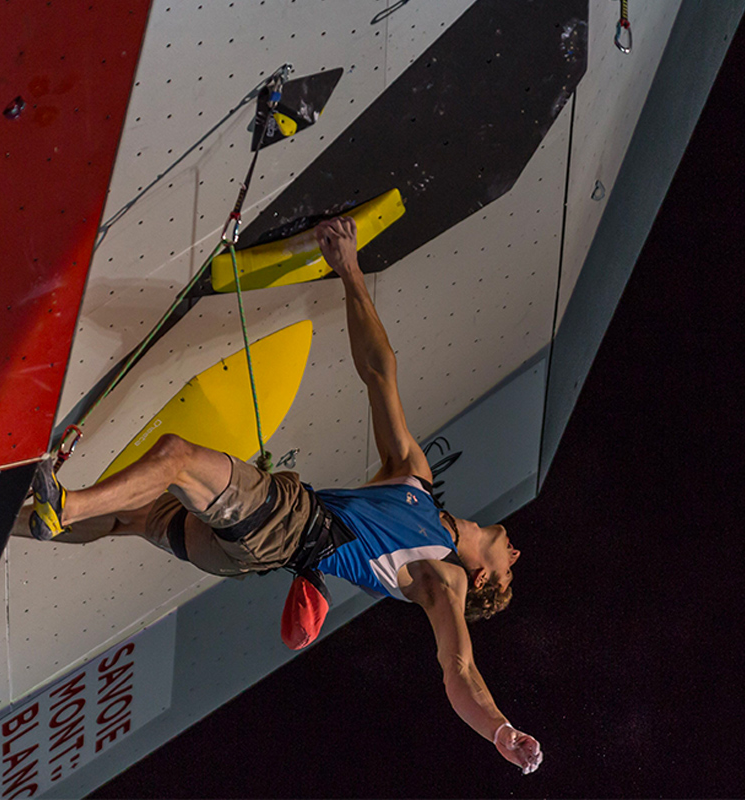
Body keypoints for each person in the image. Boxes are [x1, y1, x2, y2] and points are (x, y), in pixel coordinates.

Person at [28, 217, 542, 774]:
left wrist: (498, 728)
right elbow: (379, 372)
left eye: (508, 570)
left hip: (285, 524)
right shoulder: (415, 480)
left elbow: (458, 668)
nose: (515, 552)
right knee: (126, 518)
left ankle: (65, 505)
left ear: (483, 578)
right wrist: (348, 270)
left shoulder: (445, 578)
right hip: (238, 548)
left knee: (174, 456)